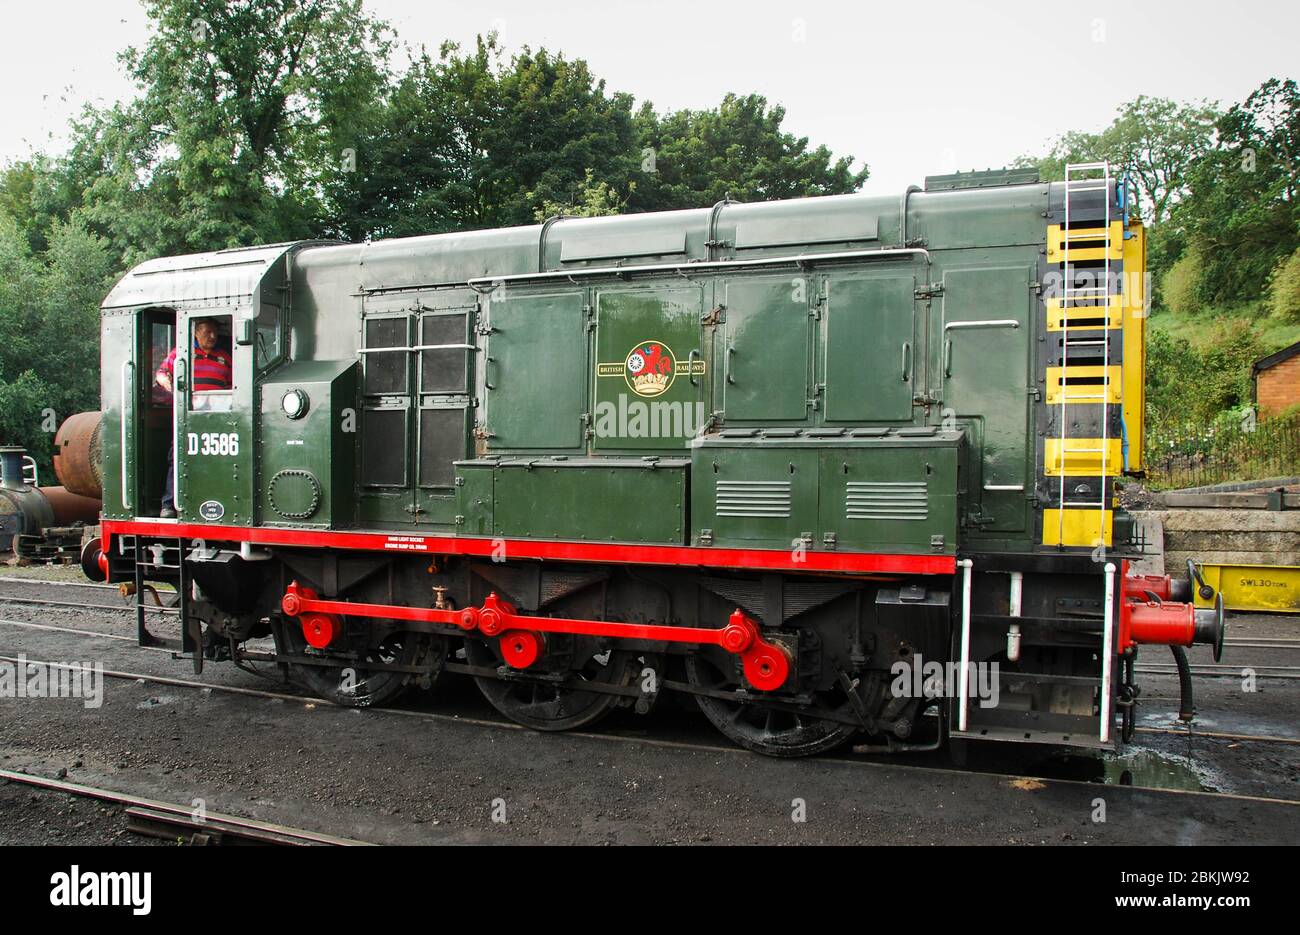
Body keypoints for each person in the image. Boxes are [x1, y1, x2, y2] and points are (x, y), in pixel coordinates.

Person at [155, 318, 232, 518]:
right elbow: (161, 374)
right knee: (178, 456)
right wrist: (173, 390)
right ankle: (169, 503)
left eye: (215, 332)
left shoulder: (225, 357)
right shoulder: (180, 354)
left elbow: (233, 385)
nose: (212, 336)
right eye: (207, 332)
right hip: (188, 417)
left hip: (217, 417)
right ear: (196, 333)